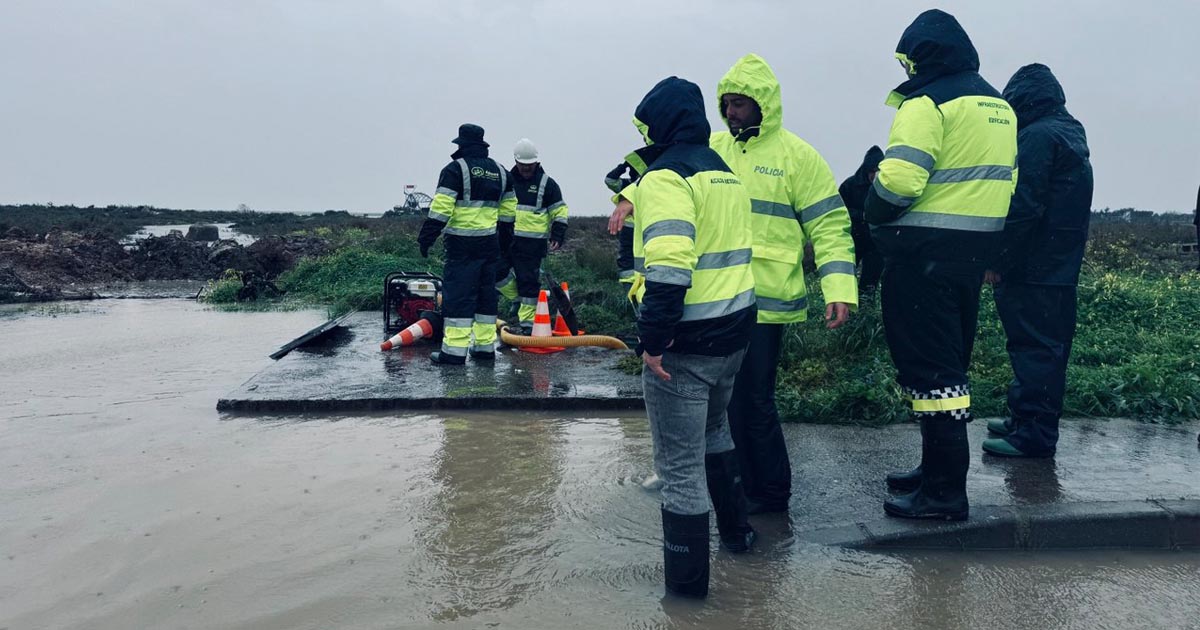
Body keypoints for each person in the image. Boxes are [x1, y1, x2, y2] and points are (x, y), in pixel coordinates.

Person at [866, 9, 1018, 520]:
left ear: (922, 55)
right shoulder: (1000, 106)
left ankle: (945, 494)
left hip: (921, 257)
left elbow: (901, 180)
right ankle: (933, 471)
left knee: (932, 375)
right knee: (949, 365)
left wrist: (873, 211)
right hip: (971, 258)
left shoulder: (928, 102)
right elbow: (1008, 185)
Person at [710, 54, 858, 514]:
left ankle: (771, 494)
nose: (732, 112)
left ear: (763, 104)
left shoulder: (798, 157)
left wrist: (839, 289)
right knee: (724, 405)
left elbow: (831, 226)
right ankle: (739, 485)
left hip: (766, 305)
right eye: (727, 104)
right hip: (718, 300)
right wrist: (626, 196)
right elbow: (664, 172)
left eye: (740, 103)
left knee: (754, 403)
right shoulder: (712, 148)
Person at [627, 76, 757, 599]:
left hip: (686, 346)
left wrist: (653, 341)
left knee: (679, 469)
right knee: (715, 431)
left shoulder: (665, 178)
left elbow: (670, 267)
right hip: (735, 333)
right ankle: (738, 535)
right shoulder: (722, 171)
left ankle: (686, 596)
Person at [981, 64, 1093, 458]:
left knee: (1033, 351)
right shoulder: (1069, 132)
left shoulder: (1036, 136)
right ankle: (1024, 420)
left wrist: (998, 259)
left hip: (1032, 268)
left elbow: (1023, 207)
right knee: (1046, 349)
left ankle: (1033, 436)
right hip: (1059, 266)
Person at [418, 123, 516, 365]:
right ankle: (484, 348)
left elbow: (441, 209)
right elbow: (508, 216)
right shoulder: (502, 172)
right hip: (490, 245)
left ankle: (454, 352)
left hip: (462, 247)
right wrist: (505, 248)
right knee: (486, 296)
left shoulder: (454, 170)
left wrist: (426, 237)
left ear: (461, 145)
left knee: (459, 297)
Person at [495, 138, 570, 333]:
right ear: (516, 161)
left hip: (532, 245)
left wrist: (558, 234)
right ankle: (517, 299)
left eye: (530, 165)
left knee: (528, 284)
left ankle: (528, 327)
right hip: (506, 240)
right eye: (522, 165)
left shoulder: (548, 184)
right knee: (497, 273)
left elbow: (559, 211)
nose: (526, 169)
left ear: (536, 162)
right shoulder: (507, 181)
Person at [839, 146, 886, 293]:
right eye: (871, 170)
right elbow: (839, 211)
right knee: (846, 280)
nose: (874, 174)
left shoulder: (886, 189)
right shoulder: (850, 185)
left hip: (875, 243)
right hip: (853, 240)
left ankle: (866, 313)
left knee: (870, 284)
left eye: (877, 171)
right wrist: (863, 216)